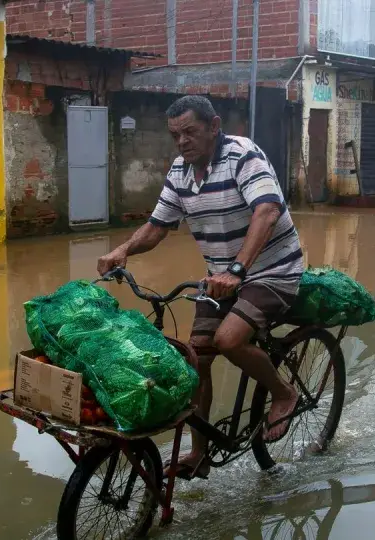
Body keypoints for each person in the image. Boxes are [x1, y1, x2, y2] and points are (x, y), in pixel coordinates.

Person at [97, 95, 304, 479]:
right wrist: (123, 250)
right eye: (175, 135)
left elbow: (267, 211)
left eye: (190, 132)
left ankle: (283, 392)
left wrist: (238, 270)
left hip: (273, 272)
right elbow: (158, 226)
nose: (182, 142)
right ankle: (200, 453)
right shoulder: (180, 172)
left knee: (228, 340)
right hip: (220, 279)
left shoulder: (243, 155)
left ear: (214, 126)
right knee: (195, 360)